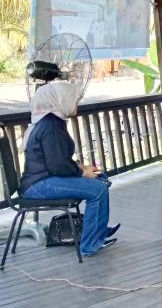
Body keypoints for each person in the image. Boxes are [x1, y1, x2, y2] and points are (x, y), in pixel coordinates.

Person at [20, 81, 119, 257]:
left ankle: (98, 230)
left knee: (99, 177)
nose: (75, 103)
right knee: (98, 190)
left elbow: (58, 159)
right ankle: (90, 244)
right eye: (72, 99)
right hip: (39, 184)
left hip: (44, 179)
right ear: (58, 100)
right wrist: (82, 172)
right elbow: (58, 165)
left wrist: (82, 167)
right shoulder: (50, 125)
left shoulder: (53, 121)